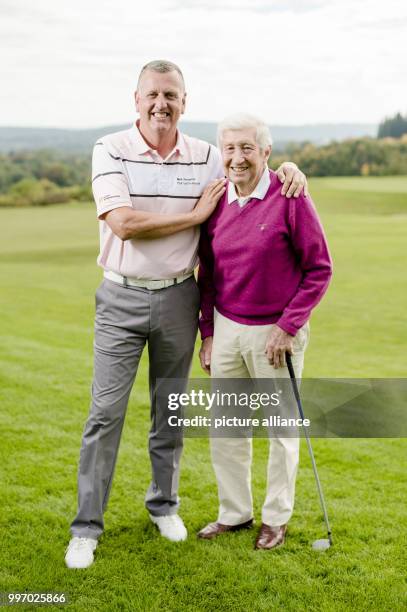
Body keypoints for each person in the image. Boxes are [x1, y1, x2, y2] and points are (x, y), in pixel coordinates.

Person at [65, 61, 307, 569]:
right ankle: (86, 528)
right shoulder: (109, 148)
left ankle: (163, 506)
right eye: (152, 95)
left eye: (171, 95)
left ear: (184, 101)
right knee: (105, 414)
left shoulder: (207, 156)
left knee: (168, 412)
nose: (161, 104)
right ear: (136, 99)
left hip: (180, 297)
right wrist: (195, 216)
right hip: (120, 296)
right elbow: (124, 224)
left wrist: (289, 169)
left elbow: (252, 166)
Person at [197, 113, 332, 549]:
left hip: (276, 335)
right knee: (228, 428)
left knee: (281, 429)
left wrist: (288, 326)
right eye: (229, 148)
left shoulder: (290, 196)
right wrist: (208, 333)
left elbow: (319, 269)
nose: (237, 158)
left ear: (266, 152)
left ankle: (276, 518)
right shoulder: (216, 199)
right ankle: (234, 514)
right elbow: (208, 274)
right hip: (227, 329)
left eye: (247, 149)